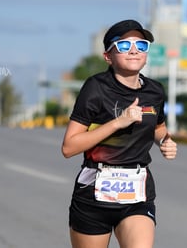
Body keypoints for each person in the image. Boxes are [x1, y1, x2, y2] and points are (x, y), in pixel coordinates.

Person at [61, 19, 177, 248]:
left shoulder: (154, 91)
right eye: (124, 45)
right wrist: (118, 122)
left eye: (141, 45)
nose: (134, 50)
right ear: (108, 56)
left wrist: (165, 141)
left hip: (137, 194)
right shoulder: (95, 88)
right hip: (93, 193)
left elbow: (158, 127)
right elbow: (69, 147)